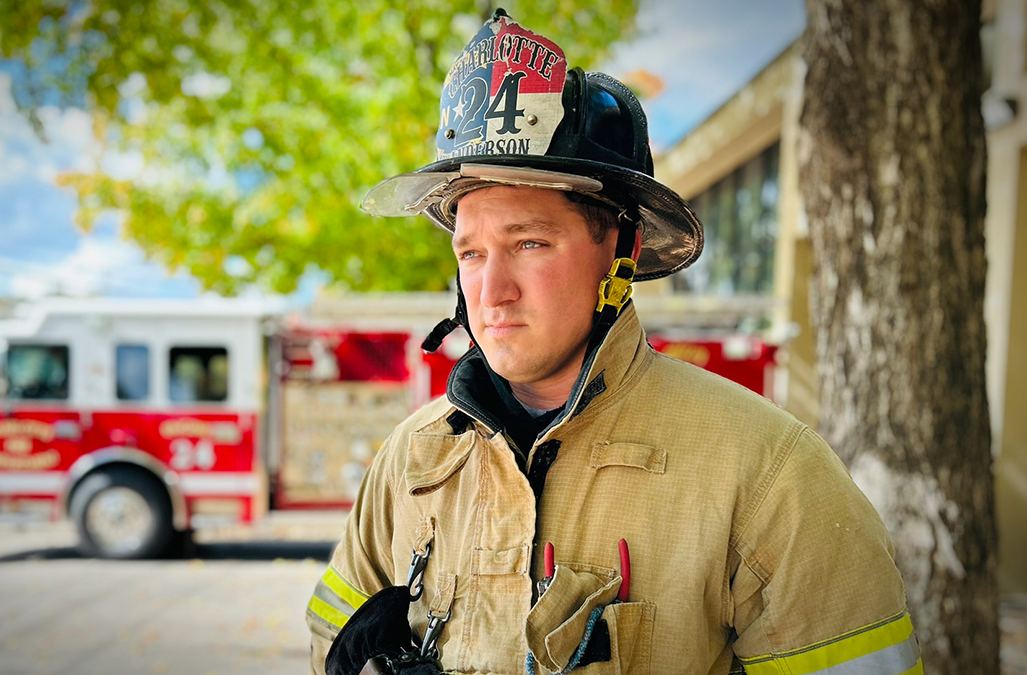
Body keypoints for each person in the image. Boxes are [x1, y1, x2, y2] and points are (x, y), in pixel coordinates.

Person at [307, 11, 920, 675]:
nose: (493, 290)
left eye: (529, 243)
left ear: (621, 250)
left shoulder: (770, 473)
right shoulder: (413, 458)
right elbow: (327, 645)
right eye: (472, 252)